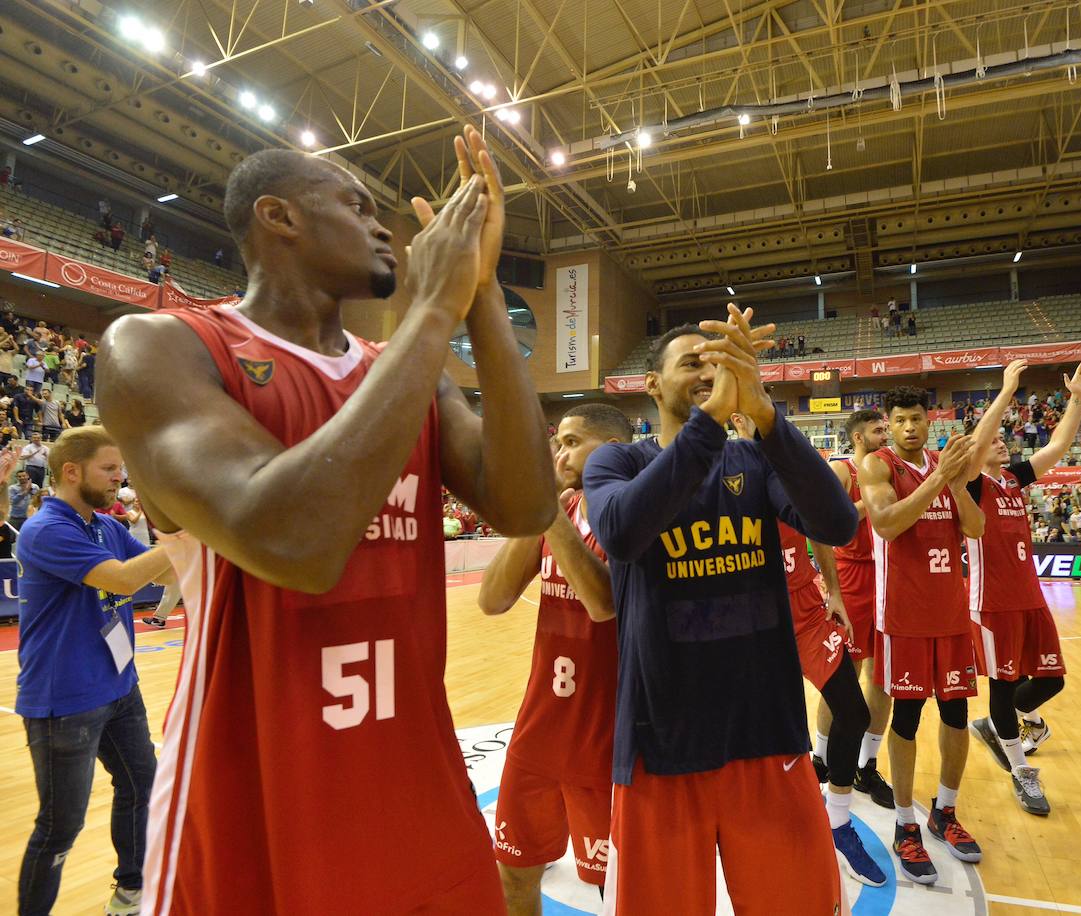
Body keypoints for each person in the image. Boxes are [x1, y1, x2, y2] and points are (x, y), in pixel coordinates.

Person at [96, 127, 555, 911]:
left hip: (415, 775)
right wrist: (435, 304)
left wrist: (479, 297)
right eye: (358, 206)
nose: (387, 230)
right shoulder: (161, 345)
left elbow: (525, 504)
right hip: (251, 792)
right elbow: (296, 543)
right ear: (279, 218)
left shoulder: (404, 373)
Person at [581, 307, 857, 913]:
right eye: (690, 364)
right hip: (661, 746)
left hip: (766, 735)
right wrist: (713, 421)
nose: (708, 373)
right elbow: (624, 532)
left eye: (716, 362)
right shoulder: (617, 463)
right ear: (651, 384)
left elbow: (836, 523)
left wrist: (764, 416)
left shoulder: (756, 460)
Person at [14, 428, 175, 916]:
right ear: (71, 471)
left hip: (119, 685)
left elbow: (165, 575)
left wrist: (171, 530)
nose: (119, 478)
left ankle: (129, 894)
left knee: (141, 786)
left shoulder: (104, 527)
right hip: (65, 699)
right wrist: (201, 530)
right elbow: (125, 578)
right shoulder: (48, 530)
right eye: (110, 469)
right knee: (60, 826)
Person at [477, 404, 628, 913]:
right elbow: (492, 600)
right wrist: (542, 512)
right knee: (514, 873)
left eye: (571, 441)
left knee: (619, 890)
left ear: (611, 448)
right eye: (556, 443)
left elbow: (602, 602)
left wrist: (550, 513)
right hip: (540, 729)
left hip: (607, 739)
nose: (558, 453)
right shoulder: (559, 509)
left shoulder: (632, 510)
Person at [731, 412, 884, 887]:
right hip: (754, 616)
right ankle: (754, 825)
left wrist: (833, 590)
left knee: (854, 713)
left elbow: (819, 528)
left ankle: (837, 823)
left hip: (805, 607)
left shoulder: (796, 467)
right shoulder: (723, 470)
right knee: (764, 734)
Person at [859, 385, 986, 884]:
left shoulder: (945, 463)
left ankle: (945, 812)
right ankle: (905, 823)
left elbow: (975, 529)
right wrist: (939, 478)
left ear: (929, 421)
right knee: (907, 717)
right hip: (904, 618)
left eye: (917, 418)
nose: (910, 427)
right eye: (901, 420)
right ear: (889, 425)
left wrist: (954, 484)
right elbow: (887, 524)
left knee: (956, 714)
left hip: (951, 615)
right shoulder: (879, 465)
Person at [960, 359, 1081, 814]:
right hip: (992, 602)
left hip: (1030, 598)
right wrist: (1007, 390)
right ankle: (1022, 773)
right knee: (1002, 688)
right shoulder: (973, 484)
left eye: (1003, 438)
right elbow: (978, 441)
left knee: (1051, 679)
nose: (1000, 441)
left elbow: (1059, 444)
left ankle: (1003, 724)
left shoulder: (1014, 479)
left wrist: (1076, 397)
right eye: (995, 439)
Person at [815, 408, 896, 810]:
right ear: (859, 437)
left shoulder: (894, 468)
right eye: (879, 430)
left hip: (891, 579)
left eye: (886, 428)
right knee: (843, 674)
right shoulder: (842, 470)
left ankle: (867, 764)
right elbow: (823, 526)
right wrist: (833, 590)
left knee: (885, 677)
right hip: (850, 578)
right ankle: (821, 756)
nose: (887, 434)